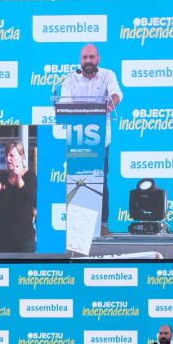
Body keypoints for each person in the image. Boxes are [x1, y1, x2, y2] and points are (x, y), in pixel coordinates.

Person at [58, 44, 123, 237]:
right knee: (77, 180)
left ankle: (102, 224)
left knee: (101, 180)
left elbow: (116, 94)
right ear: (80, 60)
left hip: (101, 139)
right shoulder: (70, 78)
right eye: (85, 58)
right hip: (77, 138)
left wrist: (111, 102)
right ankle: (77, 226)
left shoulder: (107, 75)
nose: (87, 61)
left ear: (98, 59)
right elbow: (64, 102)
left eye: (91, 57)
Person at [0, 141, 36, 253]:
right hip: (2, 239)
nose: (8, 159)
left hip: (24, 239)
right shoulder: (2, 177)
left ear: (21, 156)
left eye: (11, 155)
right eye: (6, 155)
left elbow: (28, 197)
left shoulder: (31, 177)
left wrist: (18, 178)